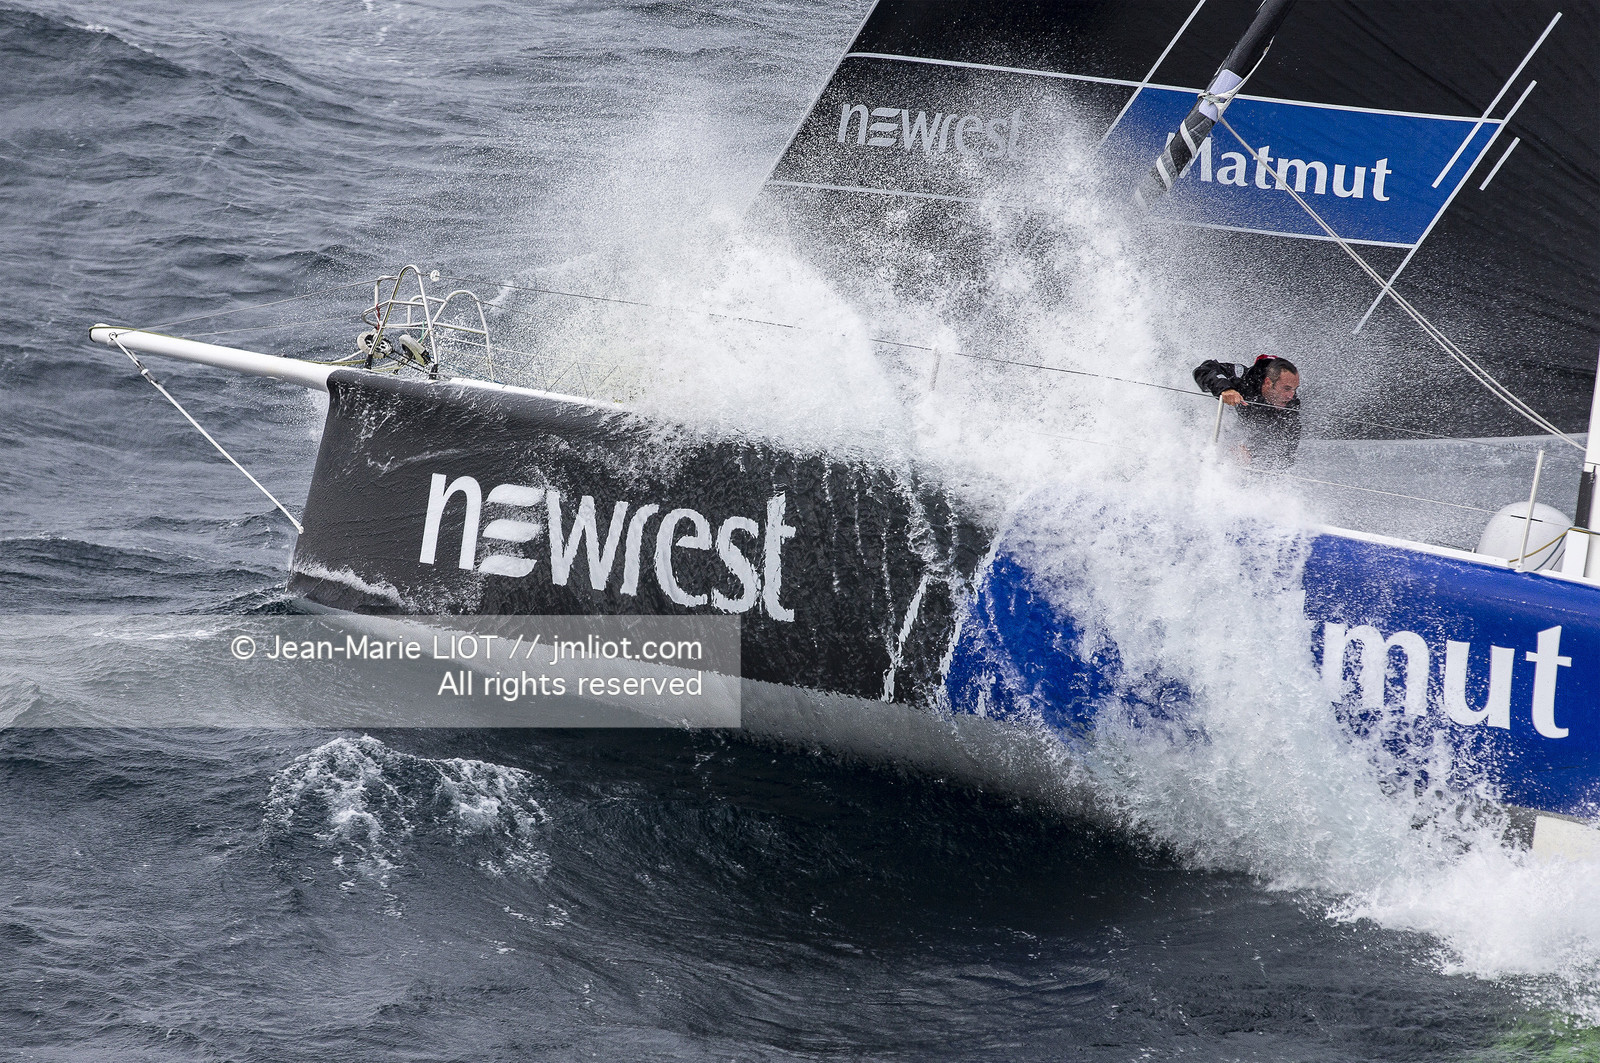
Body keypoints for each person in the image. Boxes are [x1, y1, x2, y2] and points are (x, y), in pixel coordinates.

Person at [1193, 354, 1301, 468]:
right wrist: (1225, 389)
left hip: (1254, 434)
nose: (1291, 396)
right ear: (1268, 383)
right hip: (1228, 416)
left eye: (1295, 389)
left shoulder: (1290, 407)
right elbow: (1204, 370)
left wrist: (1253, 454)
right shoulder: (1244, 379)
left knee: (1245, 456)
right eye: (1287, 389)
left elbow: (1286, 453)